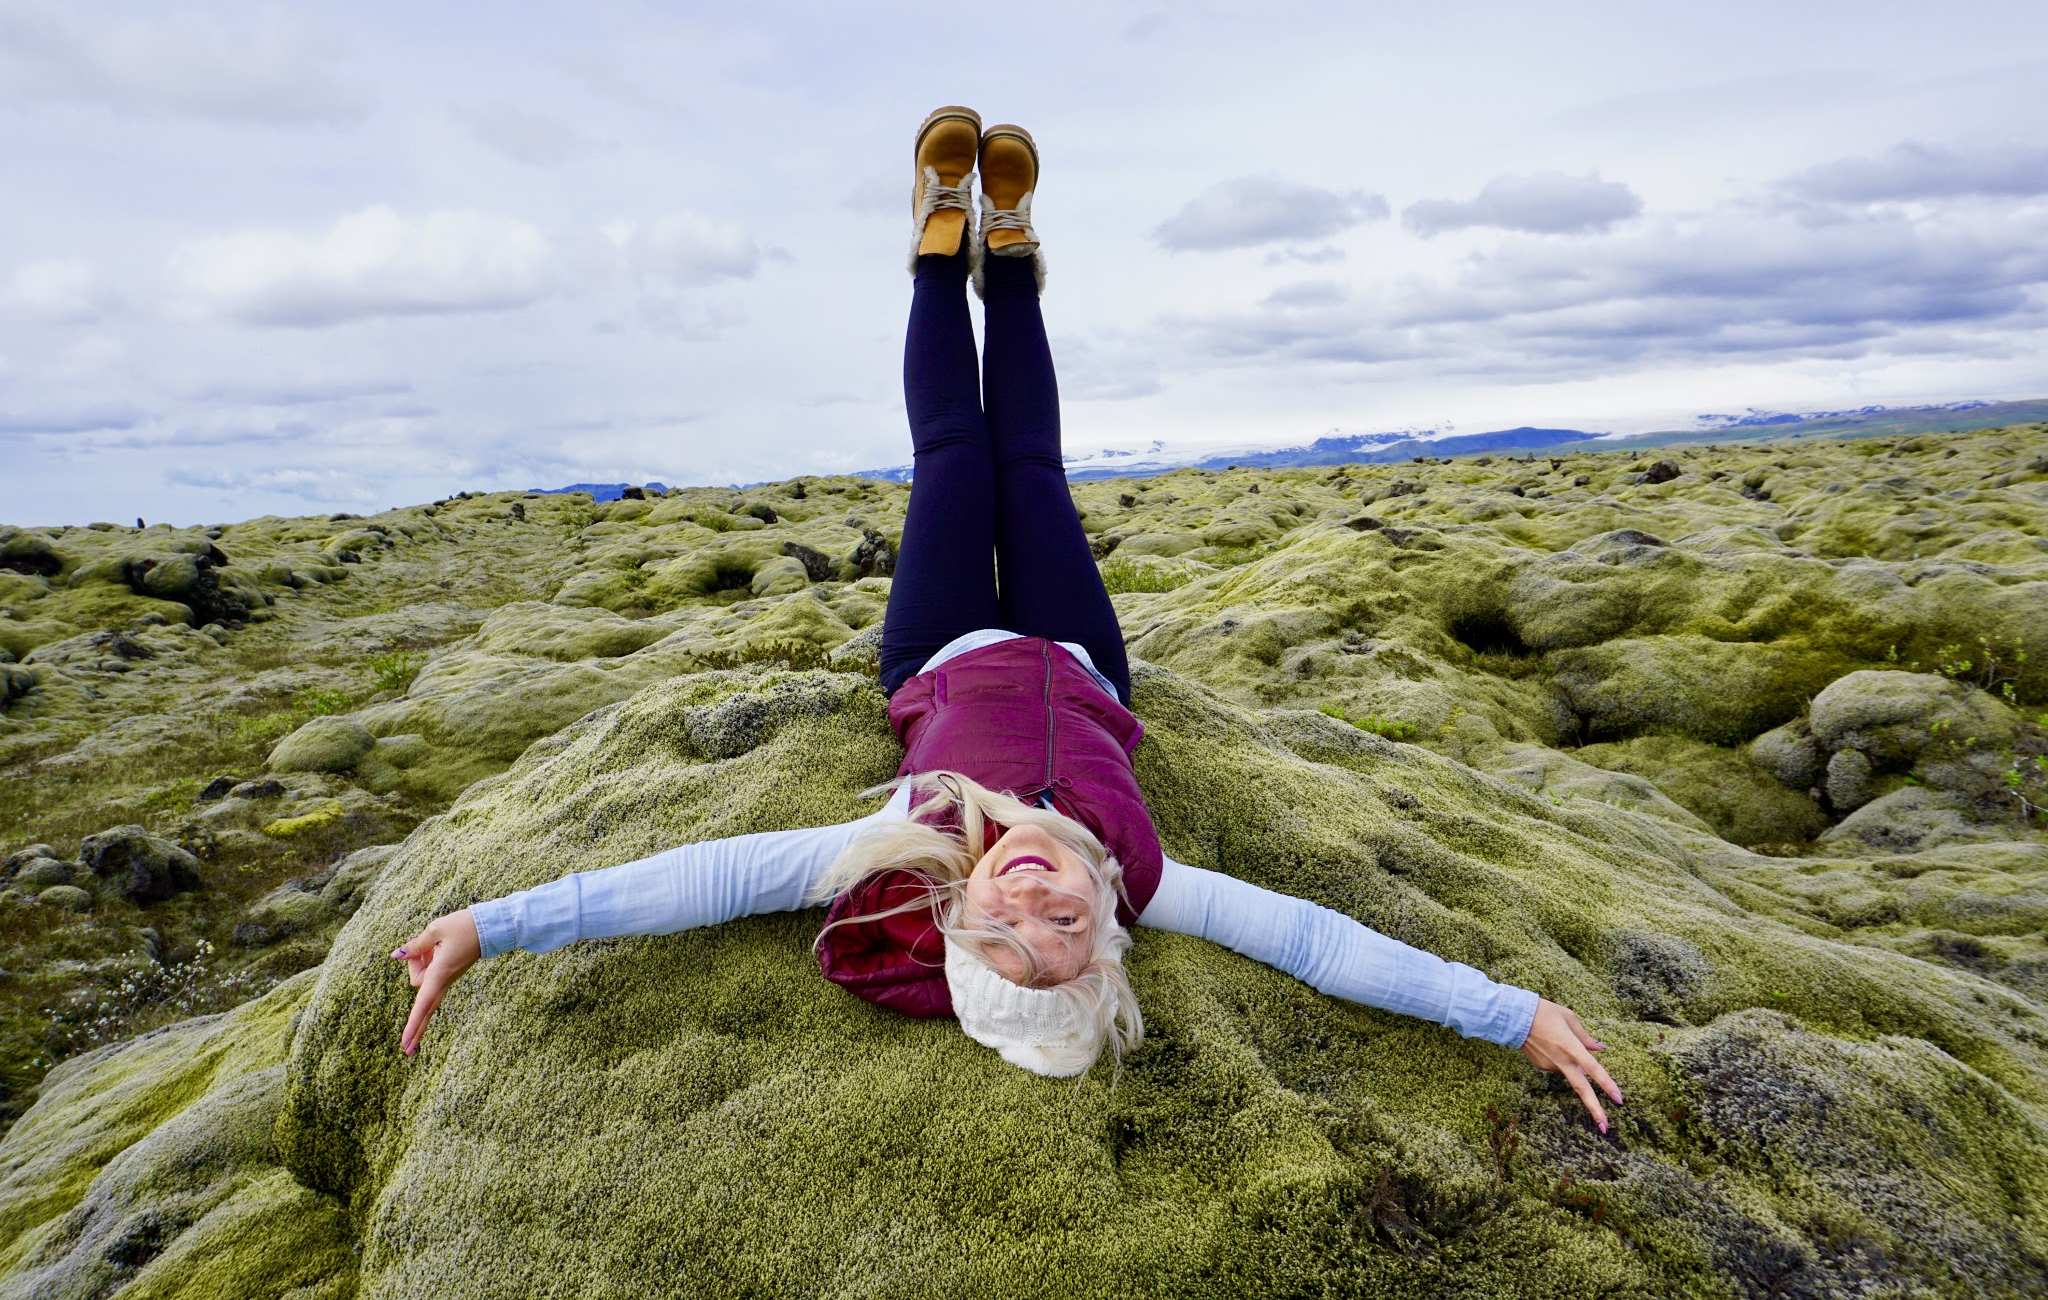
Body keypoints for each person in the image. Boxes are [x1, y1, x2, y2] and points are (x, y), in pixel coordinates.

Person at [392, 107, 1625, 1128]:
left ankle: (938, 246)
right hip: (1081, 661)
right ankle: (1015, 257)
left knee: (953, 458)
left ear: (954, 916)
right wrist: (1508, 1014)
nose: (1031, 896)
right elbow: (1315, 942)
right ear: (1104, 936)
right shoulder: (1141, 880)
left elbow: (696, 880)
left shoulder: (901, 841)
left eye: (1003, 925)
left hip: (937, 656)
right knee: (1029, 464)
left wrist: (489, 926)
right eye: (1062, 926)